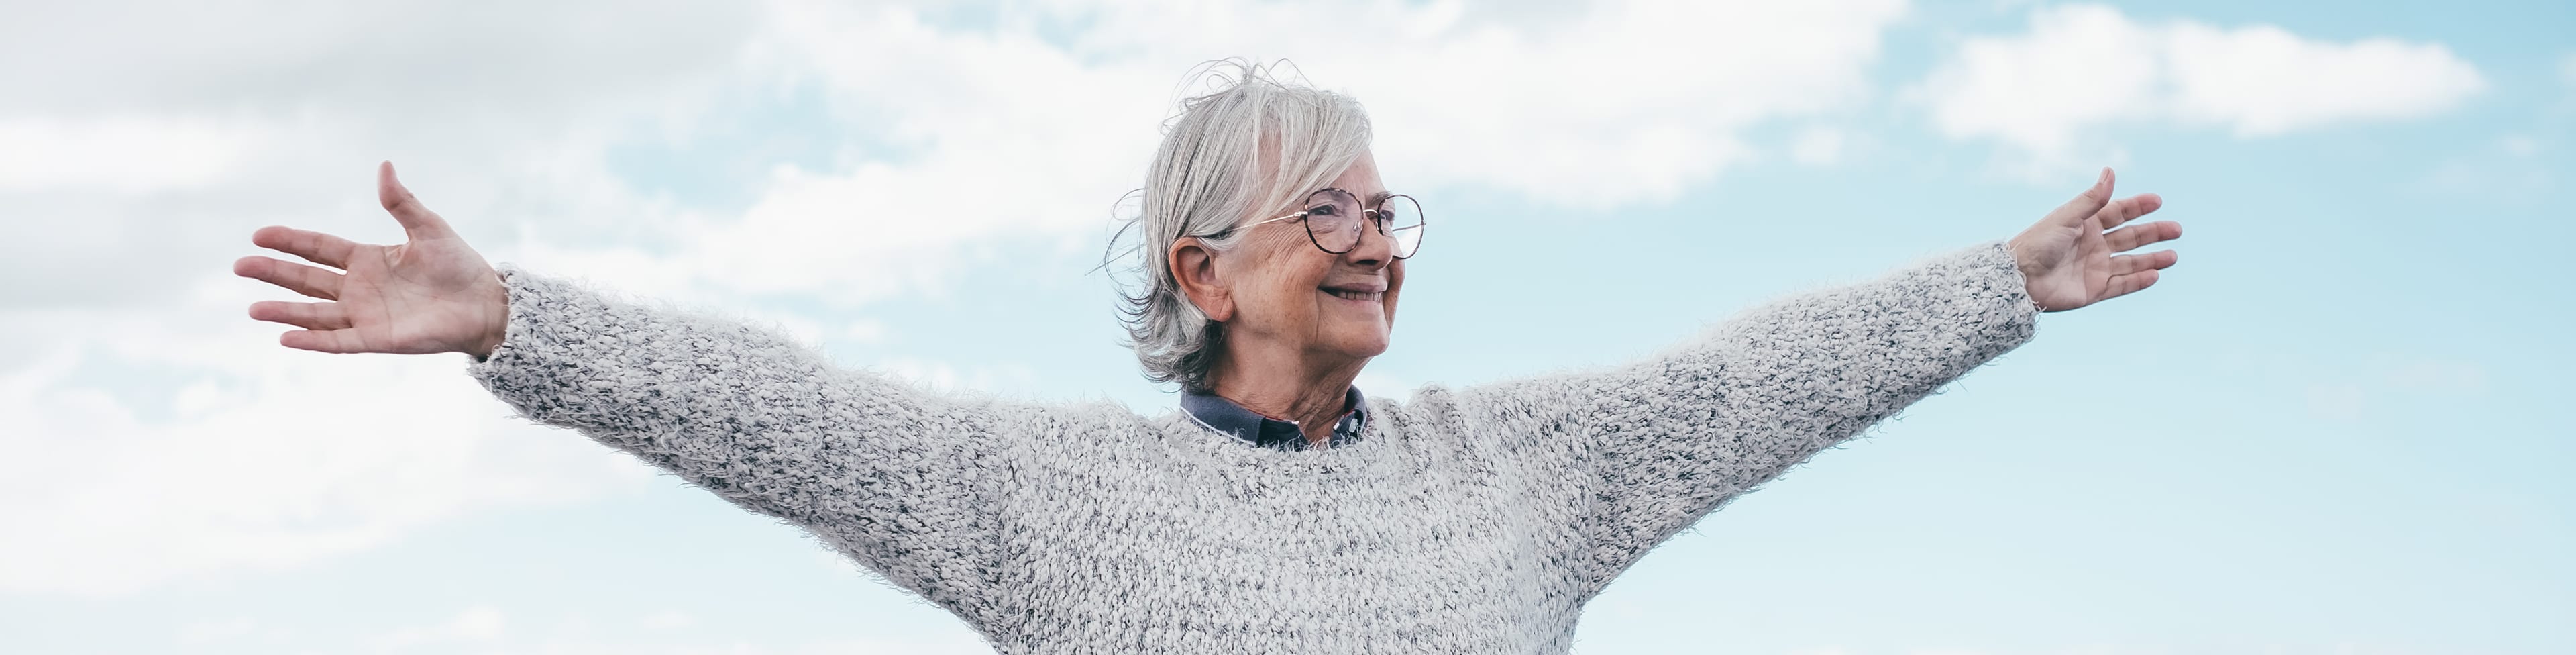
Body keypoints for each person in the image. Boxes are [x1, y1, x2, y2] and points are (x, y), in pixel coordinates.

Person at [231, 64, 2180, 654]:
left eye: (1389, 210)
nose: (1374, 242)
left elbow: (1754, 378)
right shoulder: (1053, 508)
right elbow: (793, 417)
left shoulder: (1520, 467)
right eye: (1325, 211)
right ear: (1204, 268)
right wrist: (514, 319)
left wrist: (2000, 280)